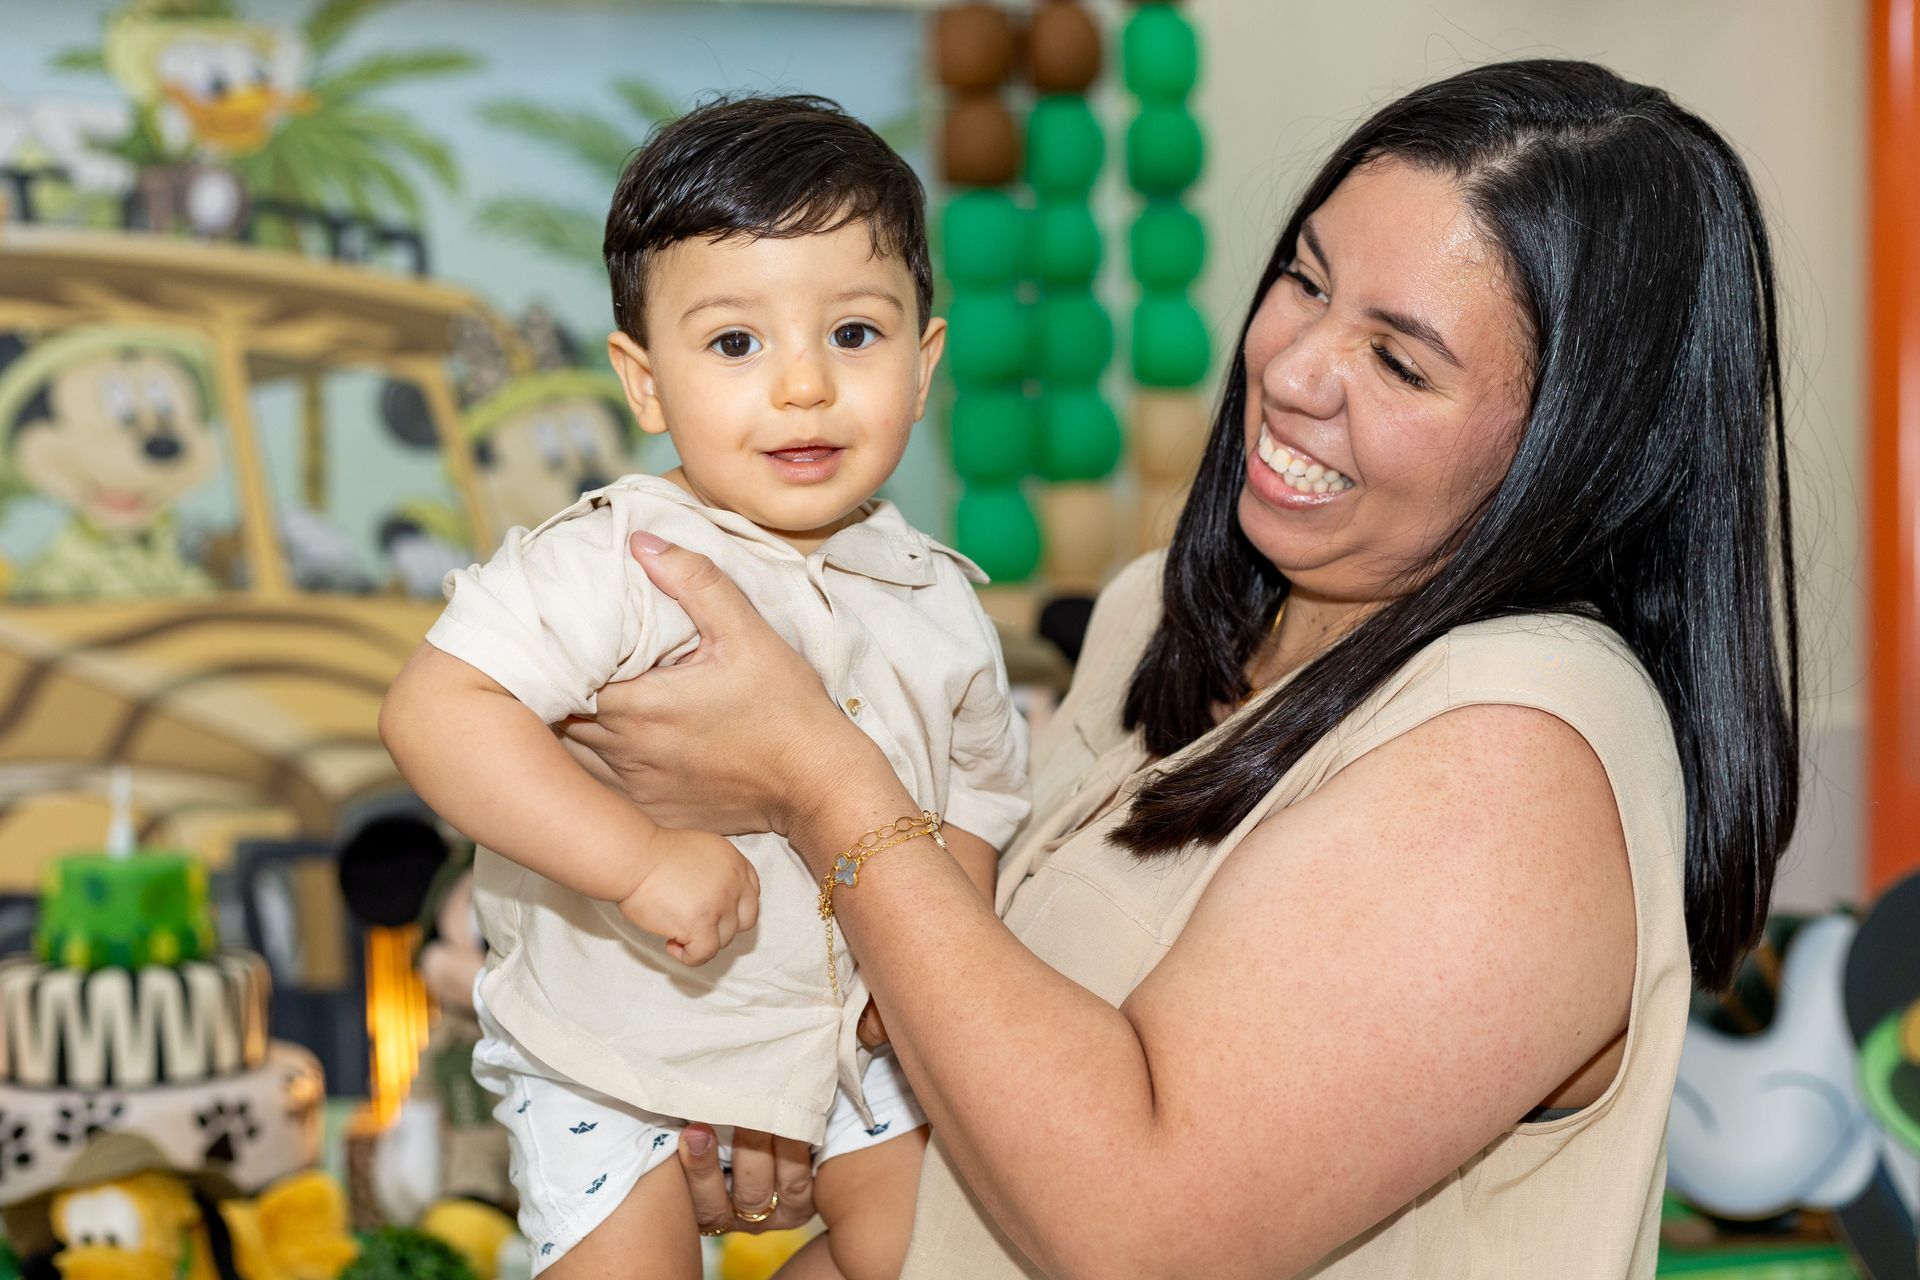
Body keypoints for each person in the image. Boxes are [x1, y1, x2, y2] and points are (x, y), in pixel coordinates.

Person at [560, 59, 1801, 1278]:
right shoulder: (1156, 611)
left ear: (1575, 449)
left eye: (1401, 361)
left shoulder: (1525, 749)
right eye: (1303, 283)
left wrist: (820, 780)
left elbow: (1140, 1233)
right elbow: (991, 1113)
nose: (1295, 368)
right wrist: (777, 1083)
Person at [379, 95, 1029, 1280]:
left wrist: (943, 956)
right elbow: (436, 711)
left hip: (852, 1047)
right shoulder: (615, 560)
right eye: (735, 342)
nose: (802, 387)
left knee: (934, 1249)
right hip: (610, 1052)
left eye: (854, 334)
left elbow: (983, 788)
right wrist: (634, 856)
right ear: (644, 381)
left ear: (925, 362)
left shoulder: (939, 596)